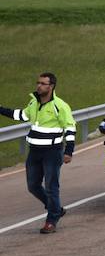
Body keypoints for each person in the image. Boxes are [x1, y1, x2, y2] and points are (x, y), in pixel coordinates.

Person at [0, 72, 76, 234]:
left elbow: (70, 128)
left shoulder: (60, 106)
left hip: (52, 152)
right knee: (33, 186)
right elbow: (21, 115)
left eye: (43, 83)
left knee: (51, 187)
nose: (39, 86)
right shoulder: (34, 102)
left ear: (51, 86)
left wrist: (68, 151)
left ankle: (51, 220)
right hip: (34, 152)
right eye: (38, 83)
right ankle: (56, 208)